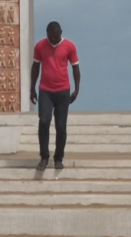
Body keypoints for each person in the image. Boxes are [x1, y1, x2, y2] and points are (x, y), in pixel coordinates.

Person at [30, 21, 80, 171]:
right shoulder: (40, 46)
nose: (53, 39)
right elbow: (35, 67)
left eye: (56, 36)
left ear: (61, 33)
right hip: (45, 90)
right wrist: (32, 88)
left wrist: (76, 90)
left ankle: (58, 158)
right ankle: (44, 157)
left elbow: (76, 68)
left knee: (60, 126)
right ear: (46, 34)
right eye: (50, 36)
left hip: (63, 91)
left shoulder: (69, 46)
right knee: (44, 121)